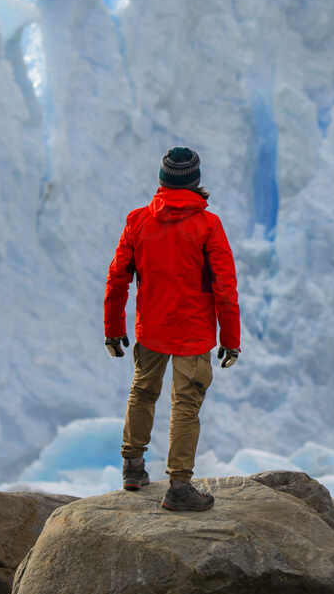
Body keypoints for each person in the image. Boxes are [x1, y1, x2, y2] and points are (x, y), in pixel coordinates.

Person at [103, 147, 241, 511]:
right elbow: (225, 288)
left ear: (162, 180)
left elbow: (117, 279)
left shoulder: (138, 221)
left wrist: (113, 328)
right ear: (196, 181)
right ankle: (179, 486)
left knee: (142, 391)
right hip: (193, 335)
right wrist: (231, 339)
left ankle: (132, 468)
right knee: (186, 405)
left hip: (151, 328)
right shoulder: (208, 226)